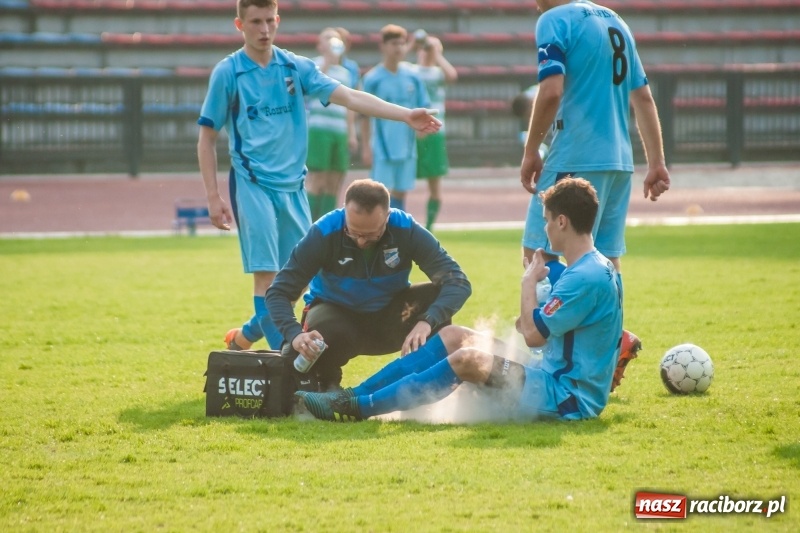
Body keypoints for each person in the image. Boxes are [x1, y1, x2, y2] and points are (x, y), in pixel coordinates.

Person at [197, 0, 441, 353]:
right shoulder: (228, 72)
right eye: (255, 22)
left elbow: (350, 96)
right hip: (253, 185)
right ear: (240, 25)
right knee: (268, 278)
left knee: (298, 281)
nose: (264, 29)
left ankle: (245, 336)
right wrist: (213, 196)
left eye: (269, 21)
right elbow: (206, 137)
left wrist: (405, 115)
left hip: (294, 187)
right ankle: (284, 359)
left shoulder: (295, 67)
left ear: (278, 20)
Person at [296, 177, 641, 422]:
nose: (545, 228)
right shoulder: (594, 267)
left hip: (566, 396)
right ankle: (351, 395)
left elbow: (533, 335)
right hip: (548, 371)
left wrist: (528, 284)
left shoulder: (583, 277)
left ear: (562, 221)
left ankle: (357, 407)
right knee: (453, 336)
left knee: (468, 359)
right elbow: (534, 327)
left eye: (548, 220)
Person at [265, 179, 472, 391]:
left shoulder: (405, 229)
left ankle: (428, 386)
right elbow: (278, 292)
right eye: (353, 232)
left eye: (372, 235)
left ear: (387, 217)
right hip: (336, 315)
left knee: (434, 296)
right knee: (299, 352)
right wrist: (295, 334)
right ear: (345, 212)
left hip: (390, 318)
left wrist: (427, 320)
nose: (361, 241)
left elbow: (458, 282)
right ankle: (326, 384)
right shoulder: (323, 232)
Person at [520, 0, 671, 272]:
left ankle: (551, 304)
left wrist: (531, 151)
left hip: (576, 155)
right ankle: (608, 304)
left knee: (539, 255)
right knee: (605, 259)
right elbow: (643, 98)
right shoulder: (616, 20)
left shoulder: (555, 20)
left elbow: (551, 91)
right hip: (619, 163)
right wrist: (656, 163)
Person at [361, 24, 431, 213]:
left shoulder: (413, 76)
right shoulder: (373, 78)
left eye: (402, 43)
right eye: (394, 43)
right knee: (380, 192)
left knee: (401, 191)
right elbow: (364, 114)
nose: (399, 48)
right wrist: (366, 146)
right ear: (383, 46)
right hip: (382, 147)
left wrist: (423, 129)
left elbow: (424, 105)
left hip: (407, 146)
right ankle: (380, 225)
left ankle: (396, 227)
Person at [305, 28, 358, 221]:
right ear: (320, 45)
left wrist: (351, 133)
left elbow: (349, 106)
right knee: (317, 178)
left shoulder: (346, 73)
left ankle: (326, 224)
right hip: (319, 130)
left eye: (335, 39)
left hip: (339, 131)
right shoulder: (314, 66)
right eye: (327, 38)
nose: (332, 42)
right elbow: (311, 90)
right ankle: (309, 223)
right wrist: (327, 59)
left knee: (335, 180)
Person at [409, 30, 458, 232]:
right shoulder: (411, 70)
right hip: (412, 131)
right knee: (401, 182)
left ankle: (429, 225)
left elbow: (452, 76)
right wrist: (413, 45)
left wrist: (436, 53)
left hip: (435, 131)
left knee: (434, 182)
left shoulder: (438, 73)